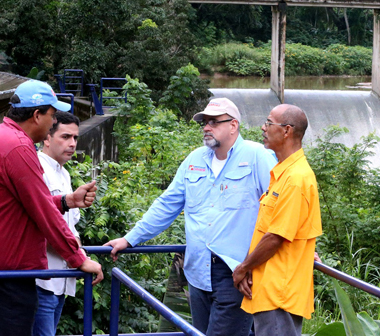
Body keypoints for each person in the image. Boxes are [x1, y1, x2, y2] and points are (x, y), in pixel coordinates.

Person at [105, 98, 277, 336]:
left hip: (237, 272)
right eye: (205, 122)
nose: (207, 127)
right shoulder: (195, 160)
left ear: (233, 125)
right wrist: (130, 239)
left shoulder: (257, 156)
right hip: (197, 273)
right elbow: (167, 204)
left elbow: (279, 208)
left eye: (214, 122)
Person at [0, 80, 103, 336]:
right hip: (1, 276)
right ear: (37, 115)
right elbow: (43, 213)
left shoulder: (0, 138)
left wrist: (66, 201)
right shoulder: (17, 147)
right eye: (52, 116)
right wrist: (78, 258)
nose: (52, 123)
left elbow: (30, 202)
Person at [233, 104, 322, 336]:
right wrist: (251, 267)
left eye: (269, 123)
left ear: (286, 131)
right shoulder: (282, 173)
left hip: (280, 294)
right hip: (269, 288)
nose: (263, 128)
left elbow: (276, 236)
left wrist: (243, 267)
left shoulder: (296, 179)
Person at [33, 111, 86, 336]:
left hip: (60, 282)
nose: (72, 143)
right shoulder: (37, 170)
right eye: (65, 137)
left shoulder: (63, 174)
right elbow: (41, 229)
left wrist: (78, 249)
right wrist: (81, 258)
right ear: (47, 137)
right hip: (40, 282)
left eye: (75, 138)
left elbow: (70, 228)